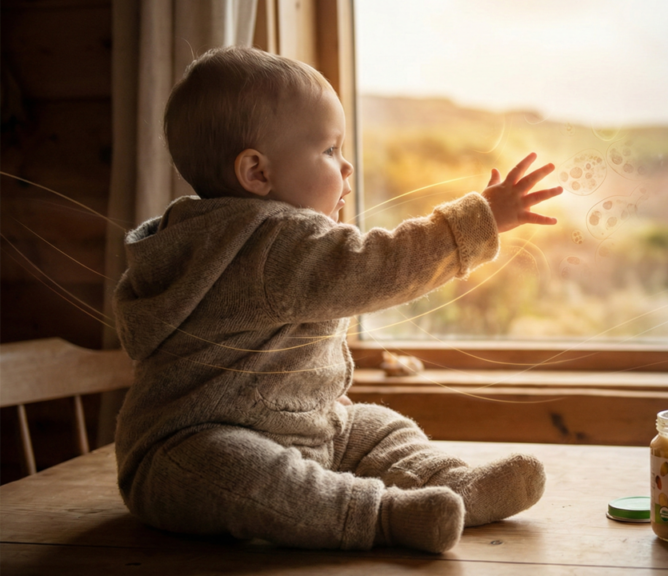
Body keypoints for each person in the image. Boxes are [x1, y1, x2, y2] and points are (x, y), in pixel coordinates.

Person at [113, 46, 561, 554]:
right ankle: (381, 515)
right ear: (257, 173)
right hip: (179, 453)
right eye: (329, 151)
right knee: (242, 470)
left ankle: (453, 483)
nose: (346, 167)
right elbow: (376, 266)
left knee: (372, 426)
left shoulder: (207, 236)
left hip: (299, 428)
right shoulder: (268, 243)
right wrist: (479, 220)